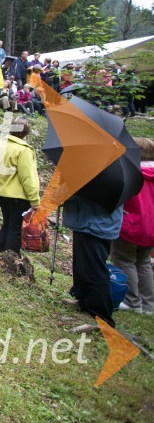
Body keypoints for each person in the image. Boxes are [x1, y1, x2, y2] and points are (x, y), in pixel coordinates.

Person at [63, 194, 124, 328]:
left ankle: (101, 316)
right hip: (87, 221)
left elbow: (87, 195)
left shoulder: (106, 184)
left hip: (97, 225)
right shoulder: (100, 182)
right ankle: (84, 301)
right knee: (83, 266)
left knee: (95, 270)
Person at [110, 137, 154, 314]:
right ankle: (148, 304)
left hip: (131, 224)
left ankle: (131, 300)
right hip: (151, 227)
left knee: (124, 260)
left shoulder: (130, 173)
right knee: (144, 262)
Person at [0, 117, 39, 255]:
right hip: (18, 195)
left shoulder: (1, 144)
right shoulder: (24, 150)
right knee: (15, 228)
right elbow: (28, 177)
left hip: (1, 191)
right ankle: (10, 260)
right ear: (26, 132)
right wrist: (35, 200)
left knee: (6, 224)